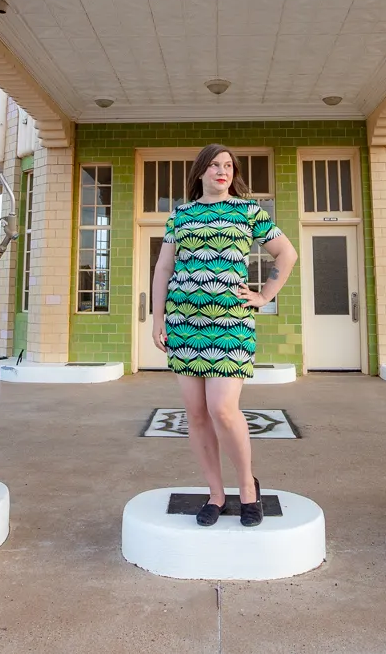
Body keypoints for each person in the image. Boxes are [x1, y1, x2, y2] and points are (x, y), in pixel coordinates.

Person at [151, 144, 298, 527]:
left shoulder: (249, 211)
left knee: (222, 409)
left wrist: (265, 295)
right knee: (196, 414)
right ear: (200, 171)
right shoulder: (181, 214)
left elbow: (287, 254)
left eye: (229, 165)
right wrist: (157, 320)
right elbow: (164, 269)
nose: (223, 171)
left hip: (231, 323)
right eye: (215, 165)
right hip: (183, 324)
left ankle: (247, 487)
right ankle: (215, 494)